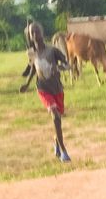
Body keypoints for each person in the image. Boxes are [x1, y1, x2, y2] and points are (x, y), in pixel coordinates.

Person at [19, 22, 71, 163]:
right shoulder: (31, 53)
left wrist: (59, 68)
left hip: (57, 88)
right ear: (30, 36)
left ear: (42, 32)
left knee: (58, 119)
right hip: (43, 88)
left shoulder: (52, 50)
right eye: (32, 32)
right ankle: (63, 151)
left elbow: (67, 64)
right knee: (55, 115)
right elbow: (33, 69)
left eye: (37, 31)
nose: (35, 34)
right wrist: (27, 84)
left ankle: (56, 143)